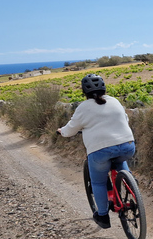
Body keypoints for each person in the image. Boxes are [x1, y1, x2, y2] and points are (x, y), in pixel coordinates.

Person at [58, 74, 136, 229]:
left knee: (98, 182)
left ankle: (102, 215)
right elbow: (125, 119)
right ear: (104, 88)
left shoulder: (83, 108)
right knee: (120, 160)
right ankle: (132, 186)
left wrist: (61, 131)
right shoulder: (114, 101)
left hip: (100, 151)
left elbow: (70, 130)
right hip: (127, 145)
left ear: (84, 92)